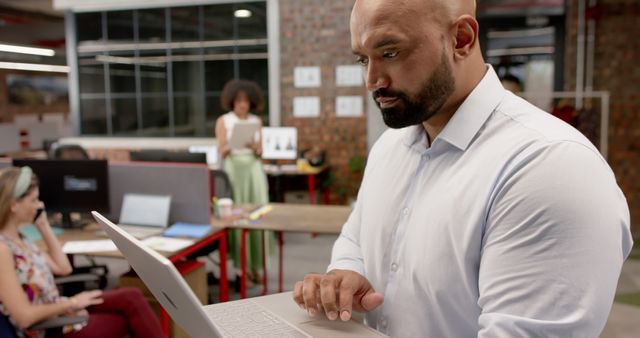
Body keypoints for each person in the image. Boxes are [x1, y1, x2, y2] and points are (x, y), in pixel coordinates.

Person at [293, 0, 633, 337]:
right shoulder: (390, 148)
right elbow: (357, 236)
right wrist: (346, 271)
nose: (372, 80)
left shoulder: (550, 167)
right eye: (362, 59)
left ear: (461, 39)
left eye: (390, 53)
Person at [0, 167, 164, 338]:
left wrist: (43, 225)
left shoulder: (21, 239)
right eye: (33, 200)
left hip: (59, 311)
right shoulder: (3, 250)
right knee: (124, 320)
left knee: (131, 296)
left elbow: (64, 269)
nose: (40, 205)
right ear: (14, 205)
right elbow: (25, 317)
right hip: (48, 328)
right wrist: (73, 302)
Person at [215, 79, 270, 284]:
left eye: (246, 101)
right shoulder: (224, 121)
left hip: (253, 168)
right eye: (238, 101)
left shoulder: (256, 121)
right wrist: (234, 142)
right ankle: (242, 269)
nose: (242, 104)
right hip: (234, 167)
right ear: (232, 101)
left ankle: (258, 267)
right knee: (239, 217)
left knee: (257, 215)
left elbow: (260, 150)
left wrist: (256, 146)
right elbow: (222, 150)